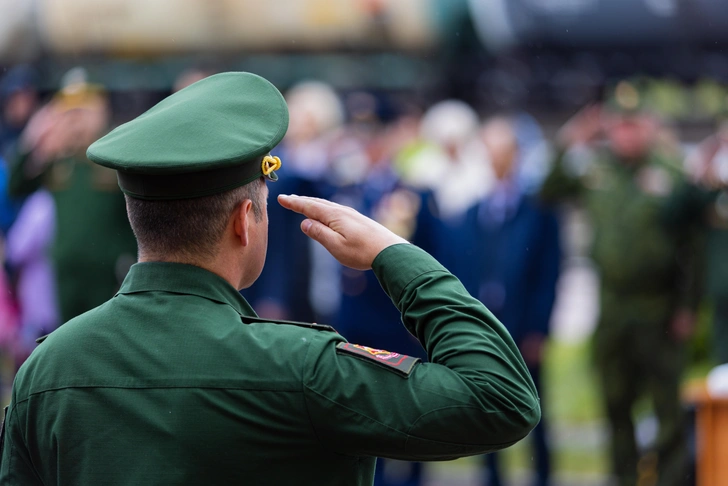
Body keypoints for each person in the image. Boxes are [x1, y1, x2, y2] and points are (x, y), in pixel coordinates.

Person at [0, 72, 540, 485]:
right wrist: (393, 254)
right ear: (243, 221)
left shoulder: (47, 371)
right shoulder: (303, 368)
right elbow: (501, 399)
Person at [541, 82, 699, 486]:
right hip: (612, 307)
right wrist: (573, 139)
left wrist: (687, 307)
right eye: (619, 126)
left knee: (667, 409)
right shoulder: (595, 170)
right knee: (616, 406)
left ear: (649, 126)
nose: (627, 134)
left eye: (635, 125)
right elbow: (548, 190)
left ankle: (670, 479)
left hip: (658, 308)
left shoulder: (672, 174)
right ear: (608, 127)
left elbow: (692, 246)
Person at [461, 117, 560, 486]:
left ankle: (543, 476)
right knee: (487, 408)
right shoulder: (476, 210)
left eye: (502, 152)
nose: (496, 160)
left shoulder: (538, 210)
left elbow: (549, 275)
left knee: (536, 408)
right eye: (490, 152)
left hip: (523, 324)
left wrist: (540, 327)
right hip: (488, 324)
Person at [7, 75, 137, 323]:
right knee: (68, 339)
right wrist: (34, 140)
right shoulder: (55, 156)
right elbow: (16, 186)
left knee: (103, 337)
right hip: (65, 270)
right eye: (70, 110)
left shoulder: (114, 153)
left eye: (83, 109)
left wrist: (127, 258)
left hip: (105, 270)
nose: (75, 117)